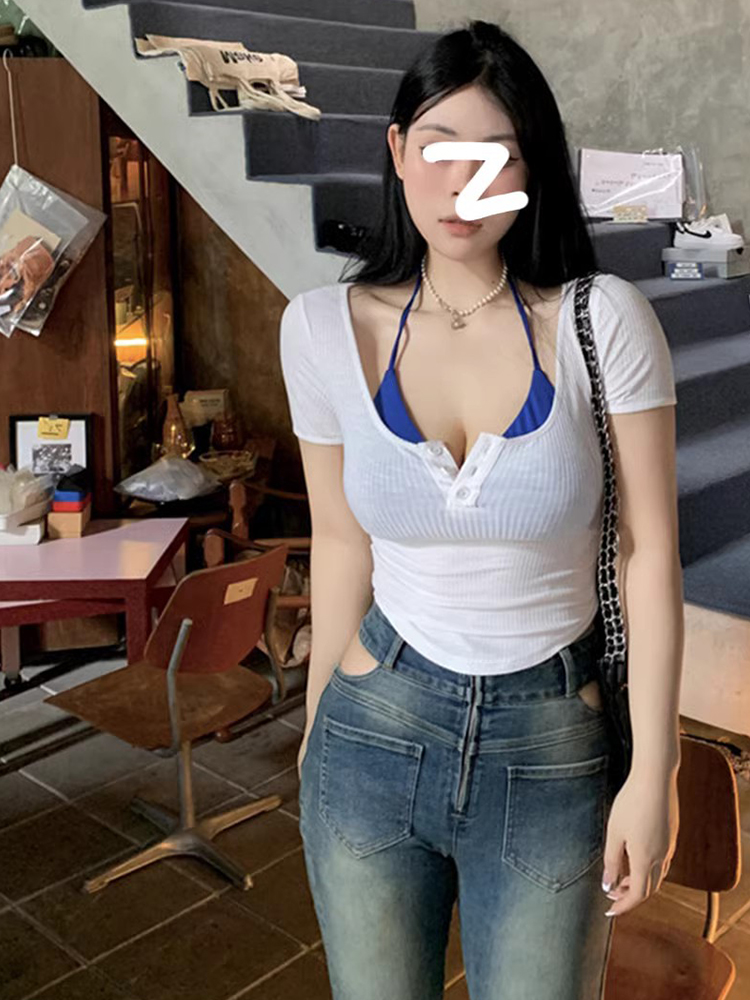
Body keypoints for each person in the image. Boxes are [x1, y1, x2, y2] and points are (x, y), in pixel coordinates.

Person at [279, 19, 683, 1000]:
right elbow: (339, 539)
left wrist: (654, 771)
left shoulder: (602, 322)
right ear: (397, 152)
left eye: (494, 155)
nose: (463, 184)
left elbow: (648, 553)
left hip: (550, 743)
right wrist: (317, 718)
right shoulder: (321, 328)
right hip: (373, 725)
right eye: (438, 148)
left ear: (529, 168)